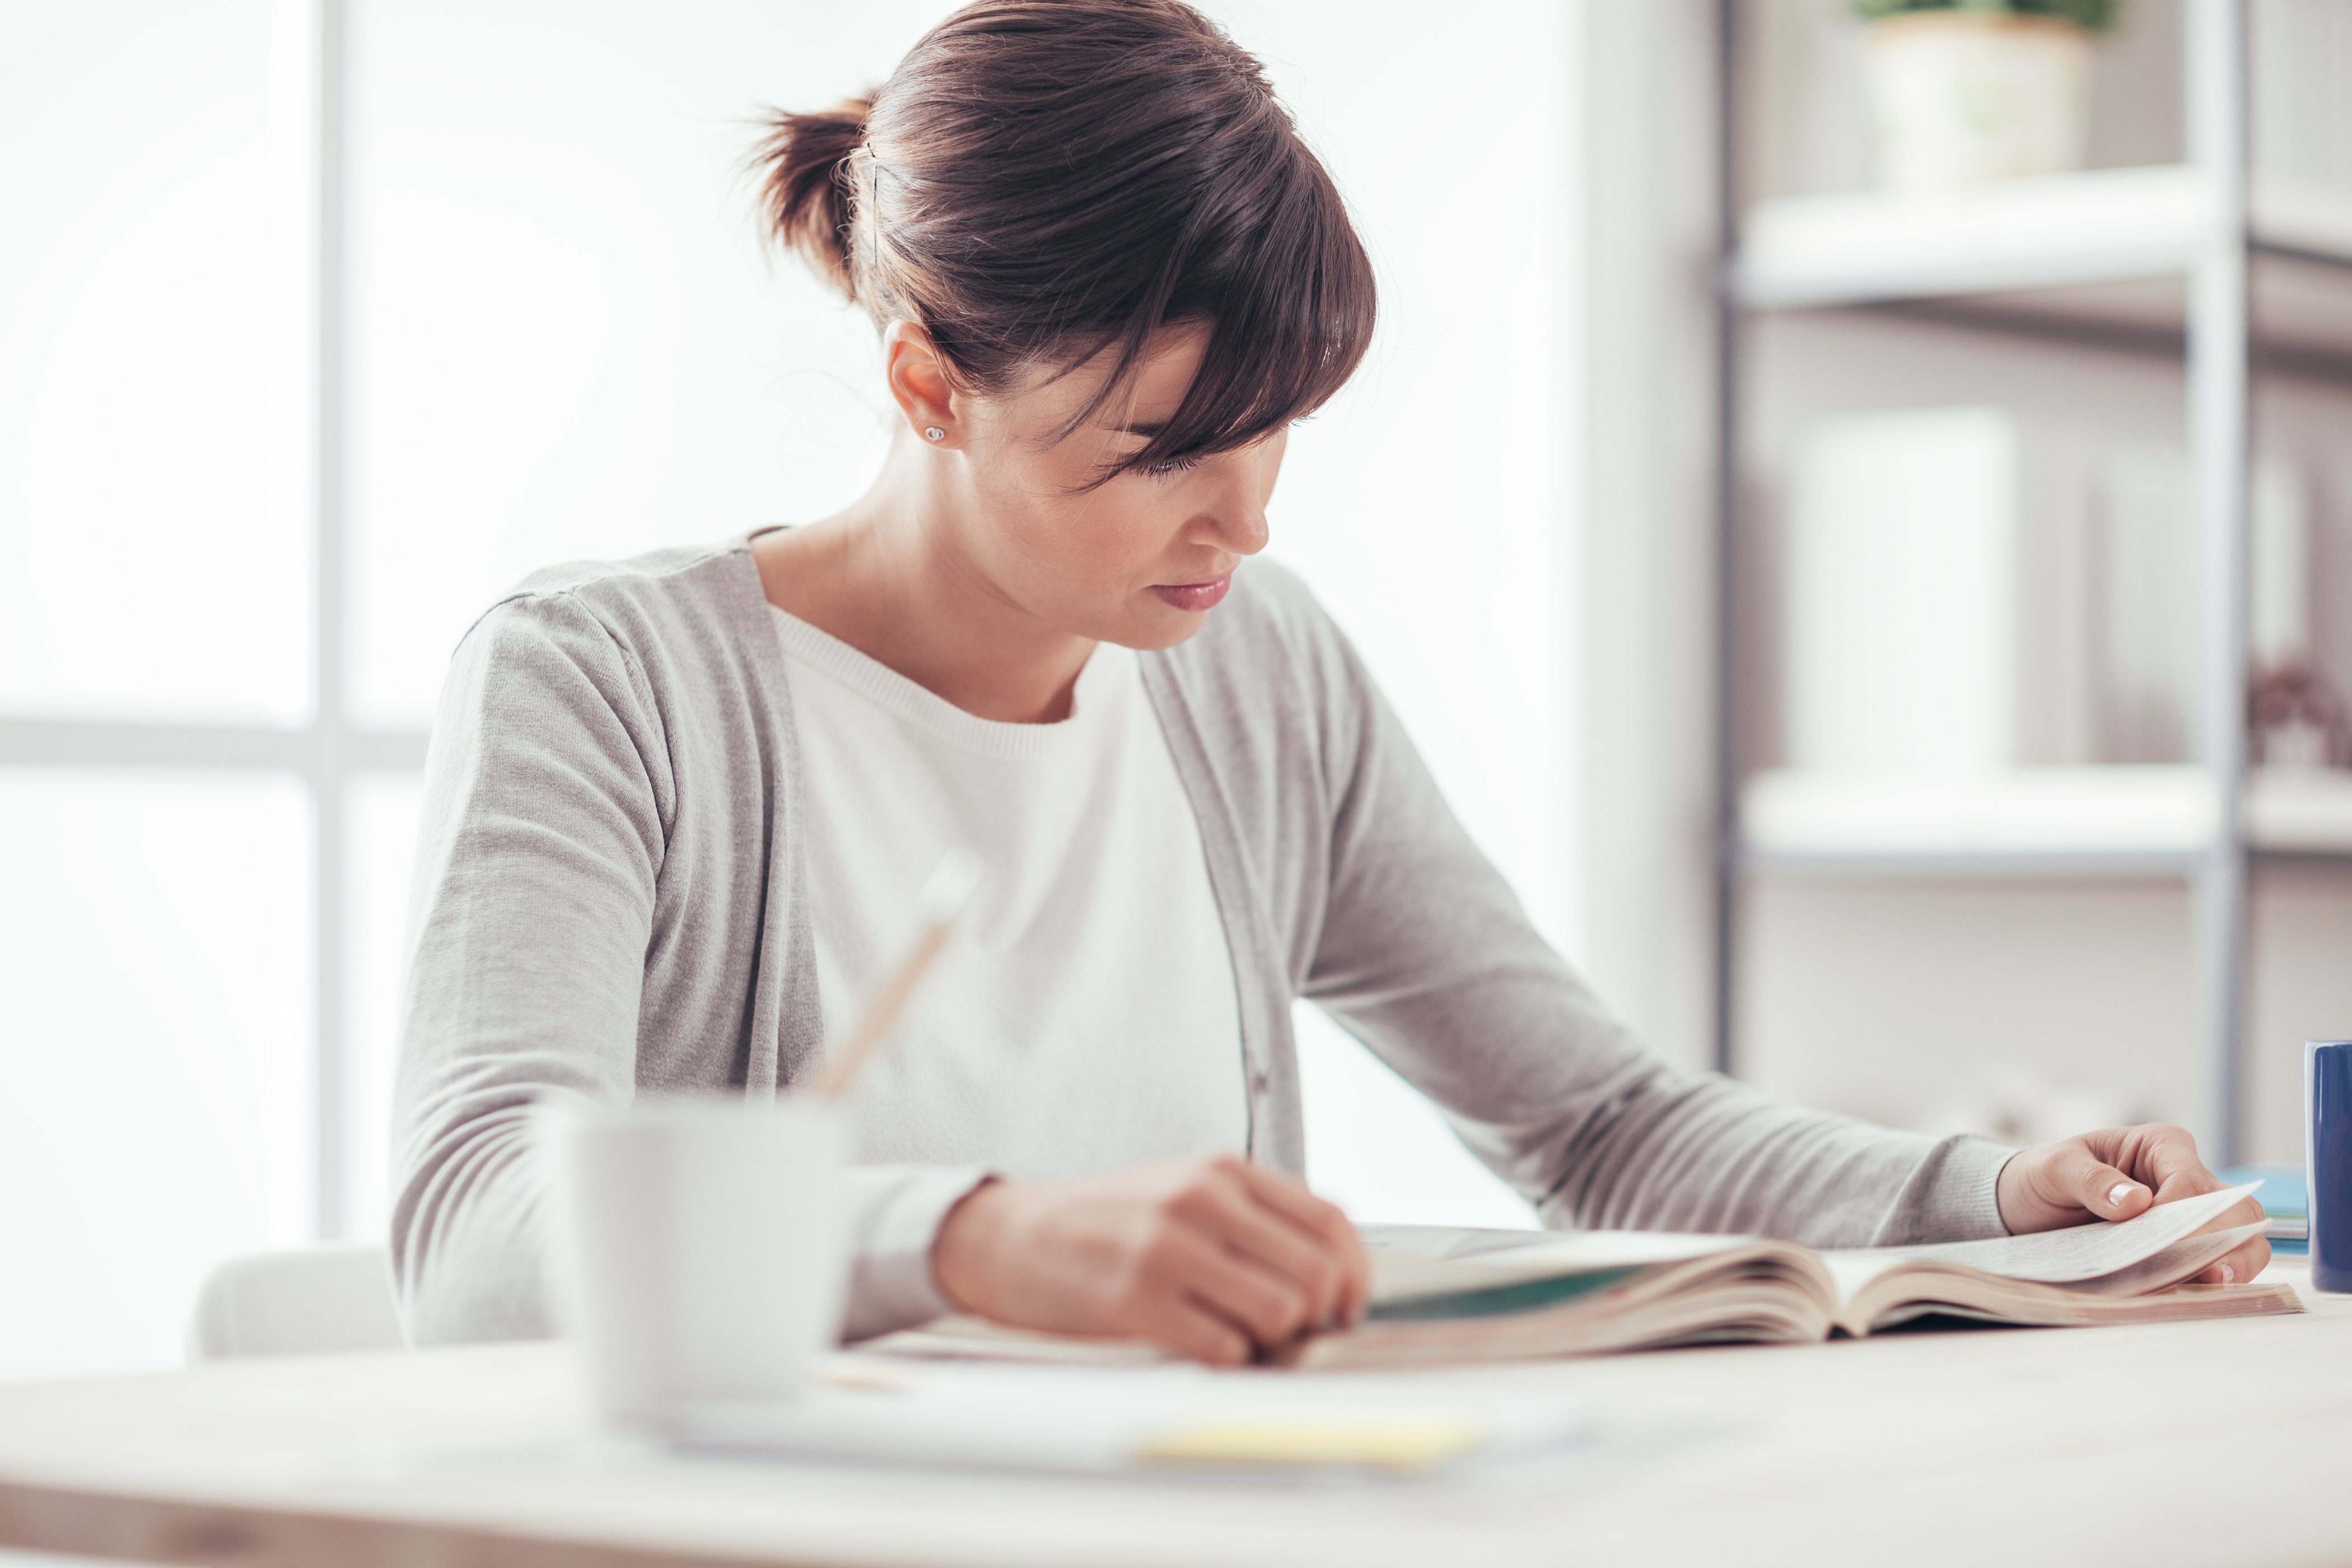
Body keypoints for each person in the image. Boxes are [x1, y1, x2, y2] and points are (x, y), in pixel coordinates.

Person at [390, 0, 2266, 1365]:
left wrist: (1985, 1197)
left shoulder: (1252, 674)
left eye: (1276, 429)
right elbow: (478, 1229)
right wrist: (986, 1243)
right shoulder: (606, 686)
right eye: (1156, 449)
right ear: (926, 386)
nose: (1247, 522)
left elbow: (1596, 1125)